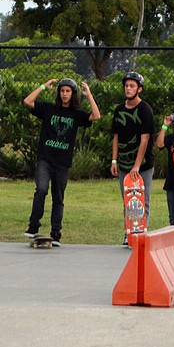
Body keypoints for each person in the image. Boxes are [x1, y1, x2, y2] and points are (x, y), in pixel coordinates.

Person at [23, 78, 101, 246]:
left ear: (72, 94)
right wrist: (44, 86)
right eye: (62, 91)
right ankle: (33, 227)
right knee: (41, 189)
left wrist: (89, 95)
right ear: (59, 93)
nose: (65, 94)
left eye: (68, 91)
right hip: (45, 159)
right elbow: (28, 101)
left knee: (58, 197)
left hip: (62, 163)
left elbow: (96, 116)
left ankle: (56, 233)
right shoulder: (48, 109)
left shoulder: (77, 114)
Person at [110, 71, 154, 244]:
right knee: (128, 199)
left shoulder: (145, 109)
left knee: (142, 199)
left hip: (143, 164)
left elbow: (145, 139)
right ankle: (129, 234)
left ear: (139, 89)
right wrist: (114, 160)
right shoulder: (119, 110)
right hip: (123, 163)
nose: (128, 89)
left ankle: (141, 234)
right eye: (126, 86)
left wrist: (136, 166)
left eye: (132, 86)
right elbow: (116, 136)